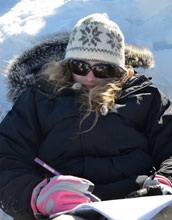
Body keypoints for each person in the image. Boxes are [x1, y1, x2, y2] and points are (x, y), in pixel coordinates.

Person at [0, 13, 172, 220]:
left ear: (118, 69)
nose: (89, 77)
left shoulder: (144, 96)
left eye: (103, 69)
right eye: (80, 67)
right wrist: (37, 195)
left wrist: (165, 183)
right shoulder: (40, 97)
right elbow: (7, 158)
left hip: (139, 205)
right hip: (65, 211)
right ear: (67, 65)